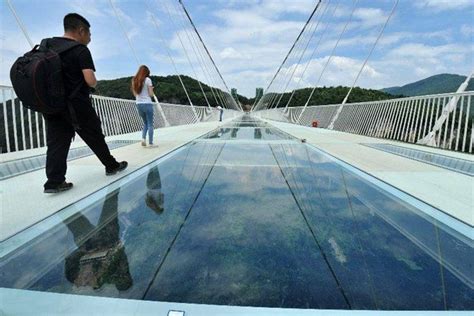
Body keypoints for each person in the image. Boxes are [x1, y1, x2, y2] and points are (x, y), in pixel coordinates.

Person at [43, 13, 127, 193]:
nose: (90, 38)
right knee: (94, 134)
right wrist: (95, 83)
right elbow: (90, 80)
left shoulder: (48, 45)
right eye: (89, 34)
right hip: (76, 104)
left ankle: (54, 181)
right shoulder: (80, 50)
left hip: (52, 104)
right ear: (81, 31)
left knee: (57, 142)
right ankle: (111, 165)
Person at [131, 65, 156, 147]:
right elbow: (151, 94)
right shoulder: (148, 80)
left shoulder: (134, 80)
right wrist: (152, 89)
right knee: (150, 124)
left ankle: (143, 139)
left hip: (139, 104)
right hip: (147, 104)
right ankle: (151, 143)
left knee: (145, 123)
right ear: (146, 72)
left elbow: (135, 94)